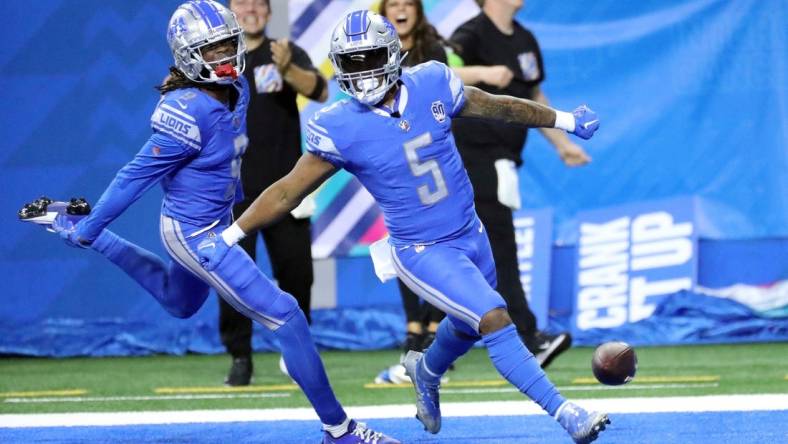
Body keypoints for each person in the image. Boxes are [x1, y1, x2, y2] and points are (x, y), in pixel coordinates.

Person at [200, 11, 608, 443]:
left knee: (467, 325)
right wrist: (228, 236)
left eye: (369, 58)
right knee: (492, 316)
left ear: (393, 54)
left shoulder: (432, 81)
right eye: (351, 62)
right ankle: (566, 413)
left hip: (471, 232)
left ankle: (425, 369)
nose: (361, 72)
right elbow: (286, 192)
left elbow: (500, 106)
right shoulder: (339, 125)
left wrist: (563, 120)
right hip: (420, 249)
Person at [50, 2, 397, 443]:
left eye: (227, 45)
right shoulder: (186, 110)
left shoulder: (238, 88)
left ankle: (82, 229)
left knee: (179, 302)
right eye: (211, 51)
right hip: (195, 233)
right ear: (188, 54)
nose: (225, 57)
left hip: (218, 219)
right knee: (287, 314)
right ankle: (340, 430)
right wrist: (91, 227)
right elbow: (133, 177)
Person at [449, 0, 589, 368]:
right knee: (499, 247)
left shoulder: (524, 39)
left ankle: (438, 339)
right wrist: (484, 72)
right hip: (472, 156)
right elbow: (438, 75)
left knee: (483, 250)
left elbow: (534, 97)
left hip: (504, 160)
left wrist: (562, 143)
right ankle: (526, 336)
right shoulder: (470, 35)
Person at [220, 0, 328, 387]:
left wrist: (287, 69)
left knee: (298, 274)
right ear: (231, 12)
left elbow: (319, 90)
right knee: (232, 278)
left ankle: (297, 350)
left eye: (257, 3)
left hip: (285, 189)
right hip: (232, 191)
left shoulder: (284, 50)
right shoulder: (218, 57)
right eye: (241, 3)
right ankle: (239, 357)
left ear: (268, 11)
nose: (250, 9)